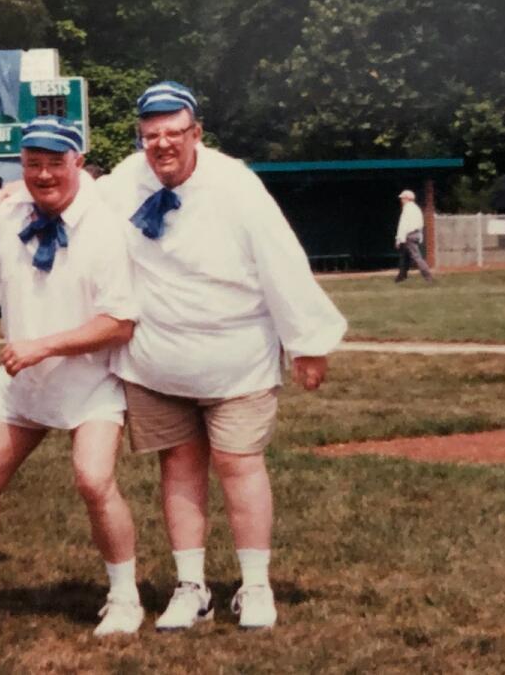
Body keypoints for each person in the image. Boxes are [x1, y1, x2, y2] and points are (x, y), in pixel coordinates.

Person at [97, 81, 347, 630]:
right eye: (150, 136)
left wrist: (307, 342)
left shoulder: (237, 185)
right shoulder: (123, 181)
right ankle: (191, 588)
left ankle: (255, 587)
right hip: (157, 358)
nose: (161, 145)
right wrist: (12, 195)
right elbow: (75, 202)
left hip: (238, 359)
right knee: (179, 469)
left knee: (240, 465)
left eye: (173, 134)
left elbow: (280, 260)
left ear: (197, 134)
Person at [0, 117, 144, 637]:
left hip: (91, 383)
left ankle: (125, 598)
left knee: (93, 480)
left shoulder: (105, 227)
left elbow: (121, 323)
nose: (43, 175)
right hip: (23, 385)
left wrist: (45, 345)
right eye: (31, 164)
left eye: (54, 163)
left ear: (78, 164)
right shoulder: (4, 215)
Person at [395, 189, 434, 283]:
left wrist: (399, 239)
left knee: (416, 257)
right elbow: (420, 224)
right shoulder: (416, 208)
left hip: (409, 235)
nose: (401, 200)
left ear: (407, 199)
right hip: (416, 234)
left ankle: (428, 276)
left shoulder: (407, 209)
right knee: (405, 257)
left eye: (403, 198)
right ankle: (401, 277)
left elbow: (403, 225)